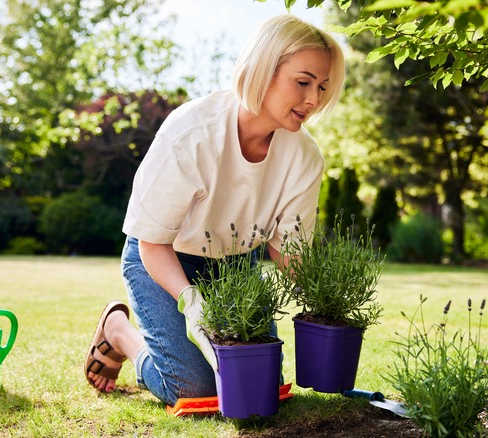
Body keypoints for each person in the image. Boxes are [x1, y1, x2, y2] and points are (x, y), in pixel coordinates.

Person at [84, 14, 346, 406]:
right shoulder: (192, 133)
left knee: (258, 385)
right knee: (194, 390)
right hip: (163, 260)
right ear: (263, 70)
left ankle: (131, 333)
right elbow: (151, 243)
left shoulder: (305, 158)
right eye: (303, 82)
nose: (314, 100)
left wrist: (329, 305)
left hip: (235, 268)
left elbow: (288, 250)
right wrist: (191, 302)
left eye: (323, 87)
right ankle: (121, 332)